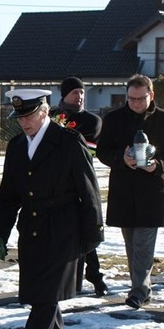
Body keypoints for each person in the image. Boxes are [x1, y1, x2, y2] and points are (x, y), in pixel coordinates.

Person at [0, 88, 104, 329]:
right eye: (20, 117)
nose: (24, 122)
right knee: (41, 290)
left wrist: (93, 232)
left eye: (29, 115)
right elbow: (8, 195)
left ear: (44, 112)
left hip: (63, 226)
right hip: (31, 226)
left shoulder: (67, 141)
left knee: (44, 293)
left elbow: (88, 188)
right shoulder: (17, 146)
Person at [96, 74, 164, 310]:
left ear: (151, 95)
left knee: (143, 243)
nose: (135, 103)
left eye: (140, 99)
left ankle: (138, 291)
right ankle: (142, 288)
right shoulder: (114, 118)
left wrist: (158, 165)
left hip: (151, 190)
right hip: (124, 190)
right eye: (131, 99)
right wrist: (121, 159)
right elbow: (102, 150)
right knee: (131, 242)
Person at [52, 76, 108, 296]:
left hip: (82, 184)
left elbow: (87, 149)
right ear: (64, 95)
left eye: (82, 93)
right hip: (56, 185)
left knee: (87, 231)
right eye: (75, 93)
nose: (80, 96)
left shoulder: (92, 120)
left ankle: (95, 276)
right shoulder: (53, 117)